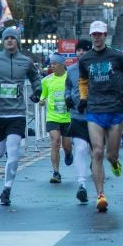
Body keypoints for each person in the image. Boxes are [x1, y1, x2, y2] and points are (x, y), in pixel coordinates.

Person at [0, 27, 42, 206]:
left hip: (17, 113)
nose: (10, 41)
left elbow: (36, 78)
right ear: (3, 42)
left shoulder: (25, 61)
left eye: (13, 38)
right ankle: (3, 154)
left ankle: (6, 190)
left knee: (13, 151)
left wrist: (37, 90)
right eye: (7, 39)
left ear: (18, 41)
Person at [78, 21, 123, 212]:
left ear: (105, 35)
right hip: (95, 110)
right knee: (96, 152)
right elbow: (83, 80)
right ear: (91, 36)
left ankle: (114, 162)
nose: (96, 37)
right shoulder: (85, 59)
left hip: (115, 110)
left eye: (100, 34)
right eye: (93, 34)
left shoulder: (117, 56)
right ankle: (100, 195)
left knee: (110, 155)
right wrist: (83, 98)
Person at [64, 39, 93, 204]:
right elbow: (67, 87)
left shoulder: (96, 69)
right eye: (79, 50)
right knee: (80, 149)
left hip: (96, 116)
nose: (81, 53)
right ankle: (81, 184)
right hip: (77, 115)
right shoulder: (71, 70)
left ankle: (97, 173)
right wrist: (68, 98)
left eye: (85, 50)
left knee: (97, 152)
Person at [39, 52, 72, 184]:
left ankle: (69, 153)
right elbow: (43, 95)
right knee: (55, 141)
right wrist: (41, 100)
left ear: (62, 64)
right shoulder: (47, 80)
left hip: (67, 117)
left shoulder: (69, 78)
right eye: (51, 63)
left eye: (55, 63)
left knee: (67, 145)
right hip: (52, 116)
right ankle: (56, 172)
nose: (52, 66)